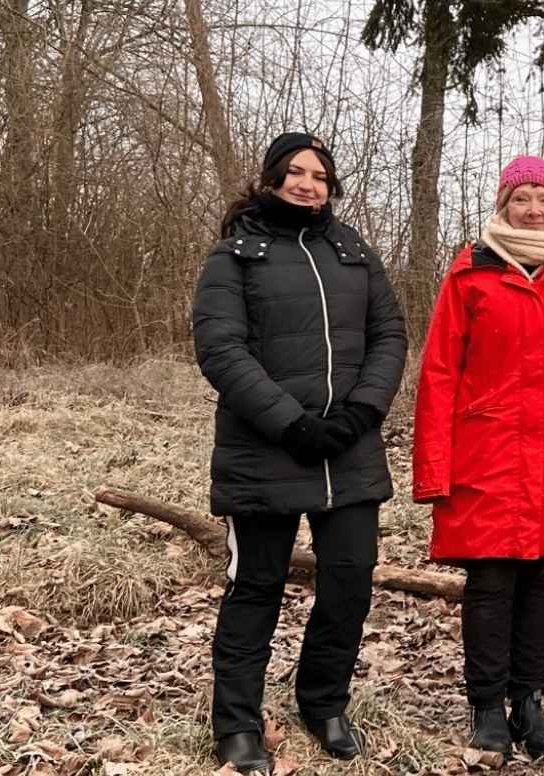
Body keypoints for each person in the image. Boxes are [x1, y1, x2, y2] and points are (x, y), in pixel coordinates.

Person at [192, 132, 407, 773]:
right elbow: (221, 351)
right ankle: (236, 723)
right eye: (295, 172)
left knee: (349, 582)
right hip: (265, 450)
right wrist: (293, 424)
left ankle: (324, 704)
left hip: (349, 450)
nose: (307, 183)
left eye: (318, 174)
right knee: (255, 587)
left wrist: (361, 413)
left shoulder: (353, 252)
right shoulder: (234, 257)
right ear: (271, 178)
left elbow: (389, 333)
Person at [412, 154, 544, 761]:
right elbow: (437, 376)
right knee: (490, 581)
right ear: (502, 205)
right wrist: (433, 468)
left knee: (539, 584)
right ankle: (486, 708)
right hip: (485, 458)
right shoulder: (469, 277)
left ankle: (529, 705)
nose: (534, 210)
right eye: (522, 198)